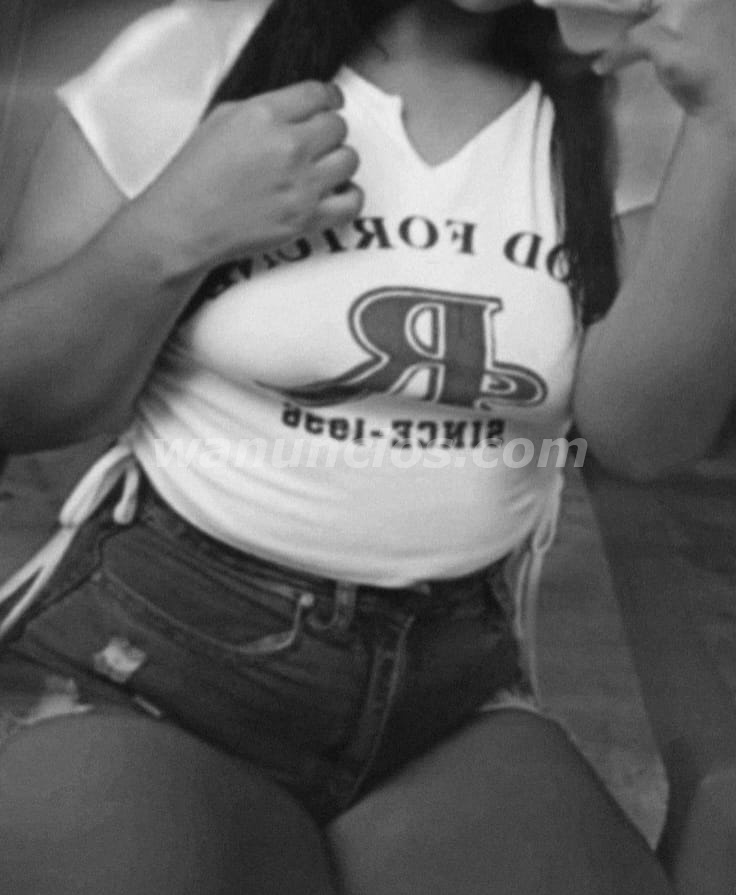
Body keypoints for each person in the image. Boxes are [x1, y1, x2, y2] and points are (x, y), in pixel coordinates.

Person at [0, 0, 734, 892]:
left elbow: (641, 436)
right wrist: (168, 234)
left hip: (448, 687)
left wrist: (725, 125)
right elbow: (20, 398)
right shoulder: (192, 54)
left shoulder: (628, 100)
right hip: (156, 655)